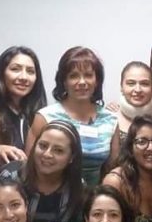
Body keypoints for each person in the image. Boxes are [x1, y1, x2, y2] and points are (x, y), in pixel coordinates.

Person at [30, 46, 117, 186]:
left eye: (88, 75)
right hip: (53, 195)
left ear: (97, 80)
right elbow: (30, 168)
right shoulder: (45, 117)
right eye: (74, 76)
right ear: (64, 81)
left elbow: (112, 171)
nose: (82, 82)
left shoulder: (111, 120)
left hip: (95, 196)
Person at [3, 120, 84, 222]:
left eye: (58, 150)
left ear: (71, 157)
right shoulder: (10, 176)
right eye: (43, 146)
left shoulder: (77, 188)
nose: (47, 154)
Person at [0, 46, 46, 162]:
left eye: (30, 71)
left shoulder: (41, 116)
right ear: (1, 73)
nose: (24, 77)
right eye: (15, 69)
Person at [110, 61, 152, 146]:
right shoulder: (108, 119)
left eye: (144, 84)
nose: (138, 90)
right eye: (131, 83)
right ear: (121, 87)